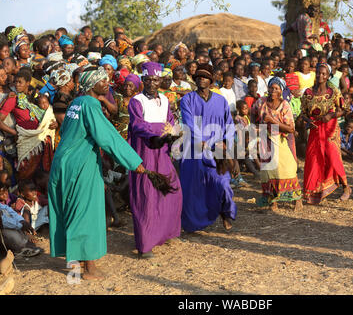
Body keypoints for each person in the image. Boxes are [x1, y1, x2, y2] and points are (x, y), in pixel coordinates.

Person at [48, 66, 146, 280]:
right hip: (79, 164)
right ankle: (89, 268)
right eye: (102, 80)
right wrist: (133, 161)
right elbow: (107, 136)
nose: (107, 83)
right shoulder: (91, 104)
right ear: (92, 84)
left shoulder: (75, 103)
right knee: (86, 212)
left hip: (64, 161)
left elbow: (67, 132)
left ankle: (75, 261)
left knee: (73, 208)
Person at [127, 62, 183, 259]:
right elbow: (138, 125)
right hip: (145, 149)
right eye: (148, 79)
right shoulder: (137, 101)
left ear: (160, 80)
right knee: (146, 195)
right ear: (143, 80)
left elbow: (171, 122)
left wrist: (174, 133)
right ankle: (145, 244)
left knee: (170, 188)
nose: (152, 83)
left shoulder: (165, 100)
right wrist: (158, 132)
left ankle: (164, 232)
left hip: (163, 150)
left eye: (155, 79)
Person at [179, 63, 237, 232]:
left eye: (205, 76)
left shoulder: (221, 100)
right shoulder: (187, 100)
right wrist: (201, 141)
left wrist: (226, 143)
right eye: (198, 76)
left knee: (223, 184)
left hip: (217, 152)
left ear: (211, 80)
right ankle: (193, 223)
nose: (201, 79)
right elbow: (189, 123)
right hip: (195, 151)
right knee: (194, 189)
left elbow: (229, 125)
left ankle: (226, 212)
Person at [301, 63, 352, 204]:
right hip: (315, 129)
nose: (320, 76)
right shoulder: (308, 93)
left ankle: (346, 187)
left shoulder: (334, 91)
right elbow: (303, 113)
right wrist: (307, 121)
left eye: (324, 74)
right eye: (318, 73)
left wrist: (332, 115)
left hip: (330, 128)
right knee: (314, 159)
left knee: (333, 156)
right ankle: (314, 192)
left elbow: (345, 109)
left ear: (328, 76)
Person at [252, 77, 302, 210]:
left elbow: (291, 128)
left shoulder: (285, 105)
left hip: (279, 139)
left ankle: (297, 199)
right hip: (264, 139)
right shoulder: (260, 102)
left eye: (276, 89)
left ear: (281, 91)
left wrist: (272, 120)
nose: (273, 91)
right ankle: (272, 201)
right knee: (268, 171)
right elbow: (253, 115)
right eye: (271, 88)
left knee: (286, 170)